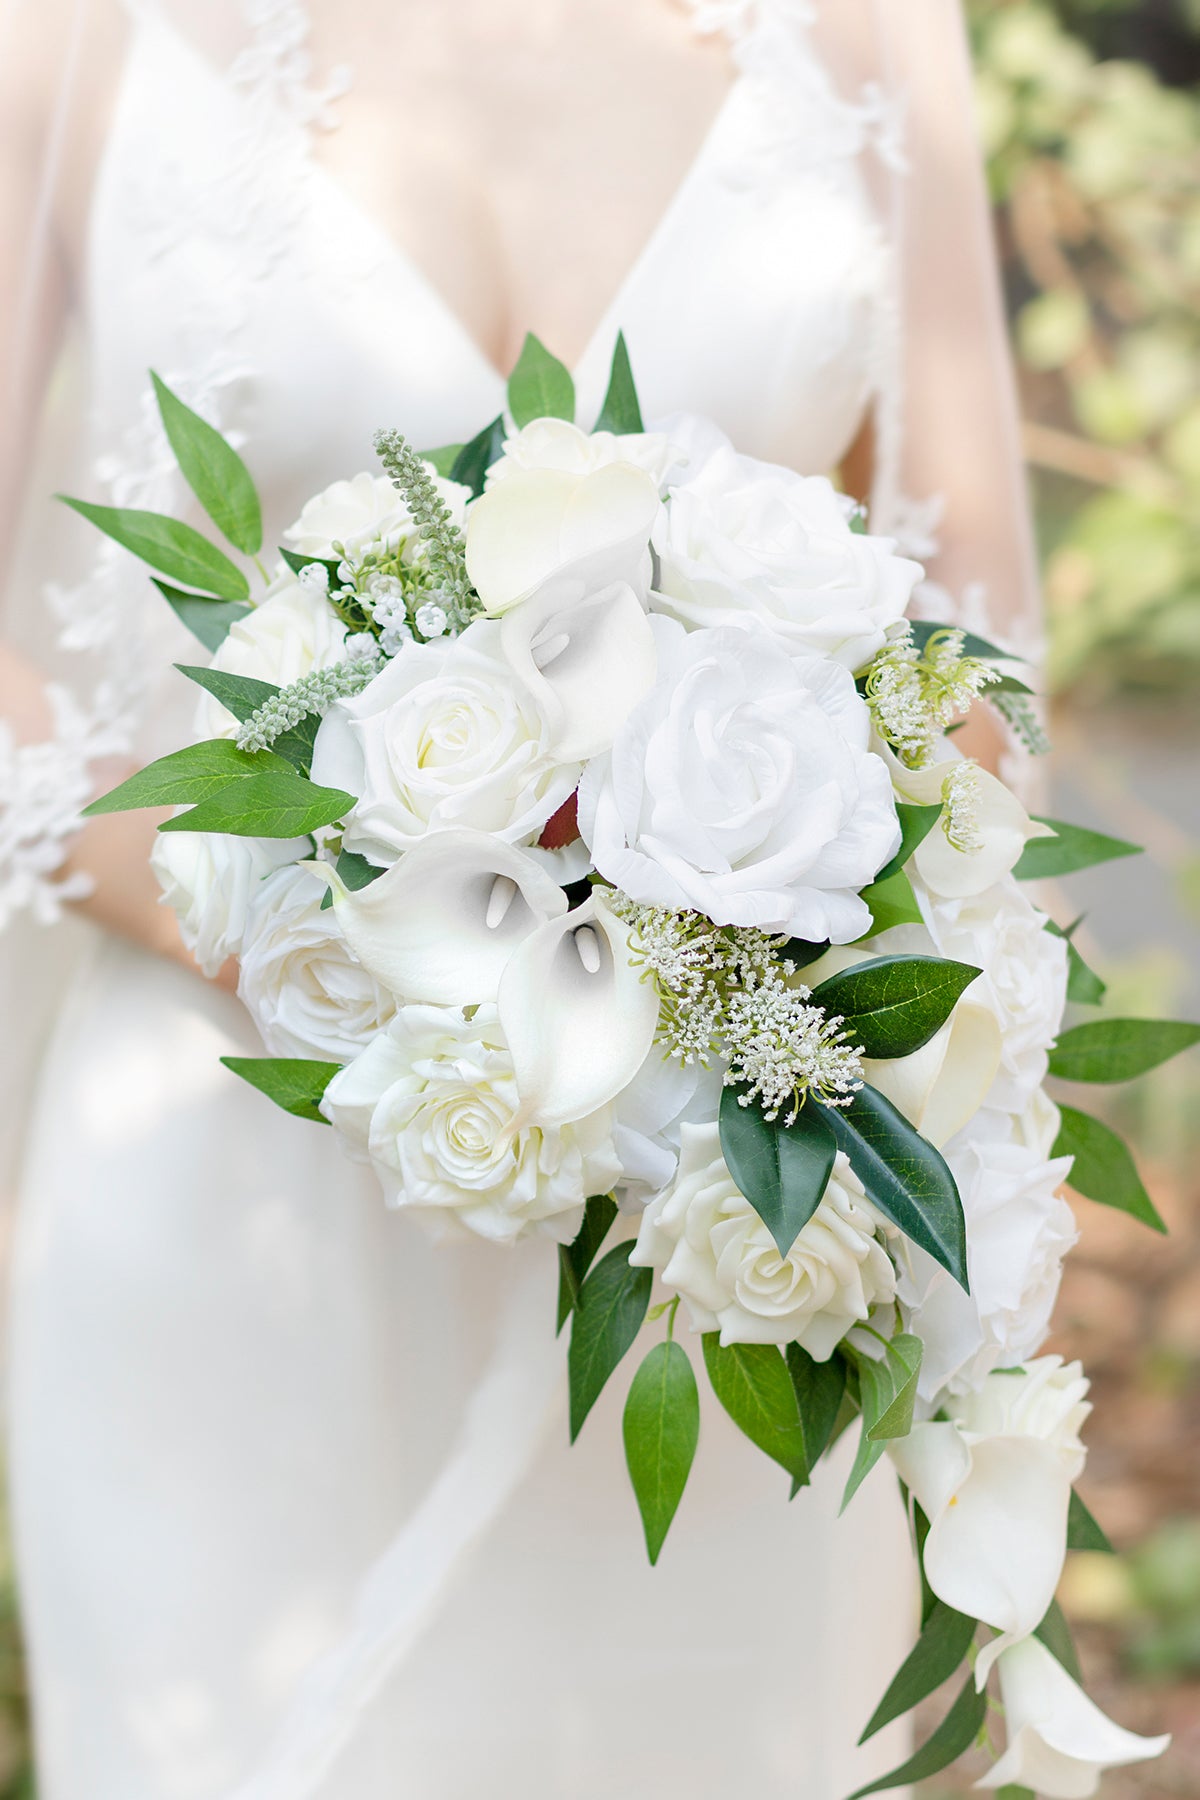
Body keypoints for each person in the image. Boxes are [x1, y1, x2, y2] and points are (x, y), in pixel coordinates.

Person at [0, 2, 1041, 1794]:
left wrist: (706, 991)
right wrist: (350, 941)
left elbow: (978, 658)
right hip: (229, 1162)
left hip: (726, 1230)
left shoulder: (873, 25)